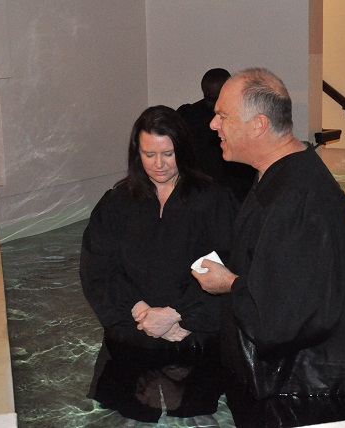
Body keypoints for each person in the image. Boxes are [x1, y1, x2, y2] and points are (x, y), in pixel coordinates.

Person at [192, 68, 345, 427]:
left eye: (223, 116)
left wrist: (228, 283)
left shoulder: (299, 197)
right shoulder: (281, 176)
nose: (213, 125)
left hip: (302, 396)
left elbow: (286, 315)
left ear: (258, 125)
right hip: (289, 388)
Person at [80, 105, 238, 423]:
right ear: (136, 153)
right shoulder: (116, 203)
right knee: (128, 415)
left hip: (191, 334)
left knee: (196, 415)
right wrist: (139, 310)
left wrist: (178, 315)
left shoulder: (213, 201)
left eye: (168, 154)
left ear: (183, 150)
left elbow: (230, 268)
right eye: (149, 154)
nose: (159, 164)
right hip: (133, 330)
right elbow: (97, 267)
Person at [177, 68, 256, 202]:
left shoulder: (247, 116)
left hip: (239, 193)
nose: (215, 105)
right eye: (210, 99)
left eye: (219, 98)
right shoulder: (188, 115)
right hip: (202, 193)